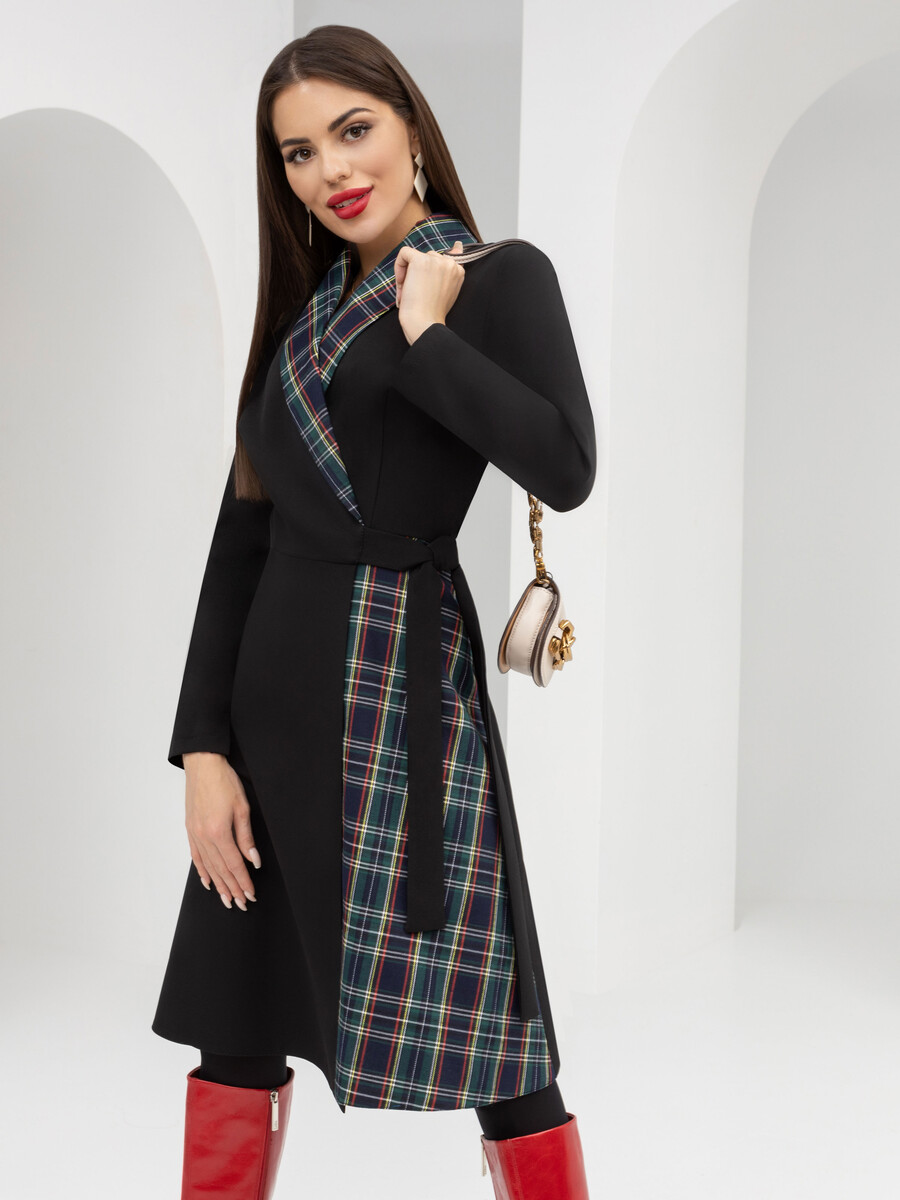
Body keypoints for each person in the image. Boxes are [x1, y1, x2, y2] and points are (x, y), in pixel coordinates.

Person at [152, 23, 596, 1200]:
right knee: (236, 1024)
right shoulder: (305, 308)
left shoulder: (499, 278)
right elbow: (242, 538)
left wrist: (428, 335)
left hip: (402, 698)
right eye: (298, 153)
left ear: (410, 127)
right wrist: (202, 746)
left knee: (495, 1033)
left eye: (354, 131)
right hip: (269, 710)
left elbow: (565, 466)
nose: (332, 171)